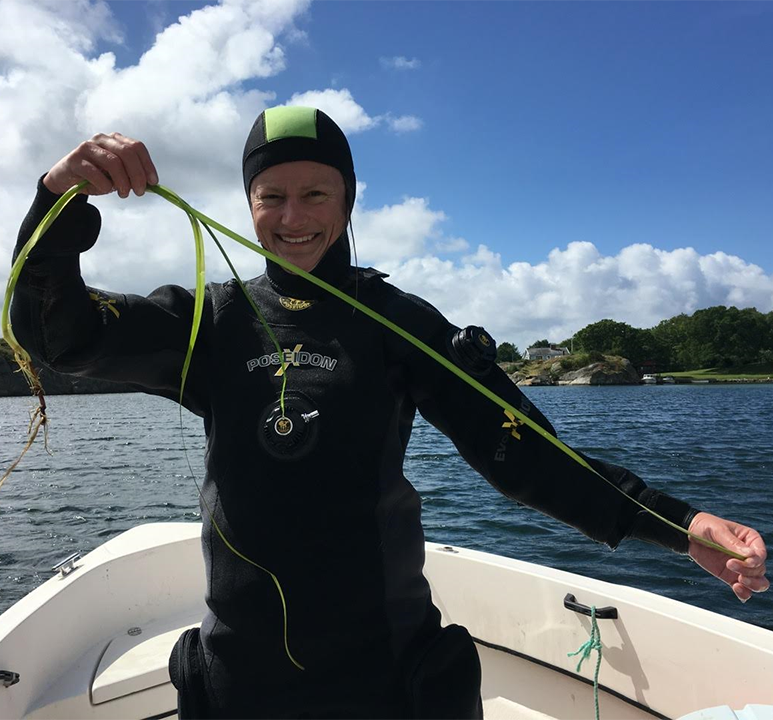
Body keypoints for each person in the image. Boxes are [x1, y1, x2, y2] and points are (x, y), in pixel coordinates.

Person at [11, 107, 769, 720]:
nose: (293, 214)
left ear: (347, 201)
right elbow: (56, 335)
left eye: (317, 193)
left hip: (387, 676)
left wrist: (679, 526)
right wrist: (59, 198)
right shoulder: (208, 321)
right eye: (272, 194)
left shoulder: (399, 322)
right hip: (241, 679)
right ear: (248, 202)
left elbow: (523, 454)